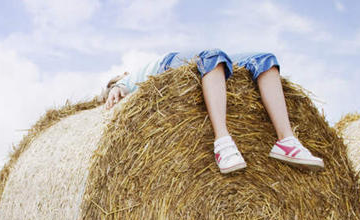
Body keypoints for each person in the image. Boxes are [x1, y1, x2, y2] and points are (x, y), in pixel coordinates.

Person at [102, 49, 324, 173]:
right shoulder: (130, 80)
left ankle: (287, 140)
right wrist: (117, 86)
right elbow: (119, 87)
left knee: (265, 59)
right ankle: (222, 140)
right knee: (212, 57)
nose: (125, 74)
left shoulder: (137, 72)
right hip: (175, 63)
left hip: (182, 58)